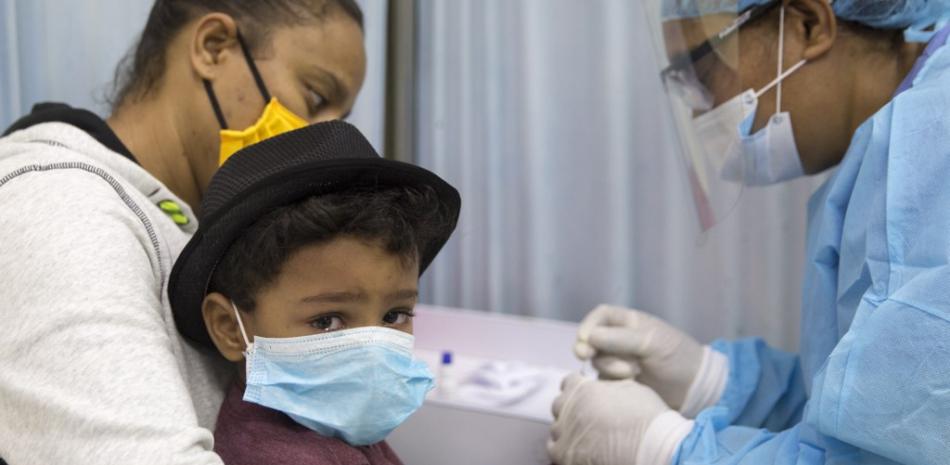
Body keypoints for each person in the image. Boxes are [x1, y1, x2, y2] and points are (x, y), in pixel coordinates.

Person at [547, 0, 950, 464]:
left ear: (808, 24)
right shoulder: (897, 146)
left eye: (704, 71)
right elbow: (881, 409)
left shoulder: (934, 151)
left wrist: (666, 451)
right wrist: (714, 380)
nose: (704, 112)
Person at [0, 1, 365, 463]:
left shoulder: (186, 222)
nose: (320, 139)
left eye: (338, 119)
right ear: (213, 48)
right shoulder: (59, 205)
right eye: (314, 98)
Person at [167, 121, 460, 465]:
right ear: (230, 328)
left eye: (394, 316)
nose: (373, 350)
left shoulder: (342, 435)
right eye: (326, 320)